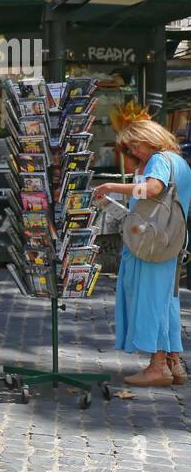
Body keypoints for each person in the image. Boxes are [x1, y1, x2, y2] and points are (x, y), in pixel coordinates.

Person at [94, 119, 191, 386]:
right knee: (166, 301)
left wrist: (113, 187)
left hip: (152, 242)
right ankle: (174, 363)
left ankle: (157, 367)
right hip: (169, 240)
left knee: (151, 301)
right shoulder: (178, 162)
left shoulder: (160, 159)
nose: (134, 151)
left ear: (149, 138)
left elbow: (152, 189)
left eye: (135, 145)